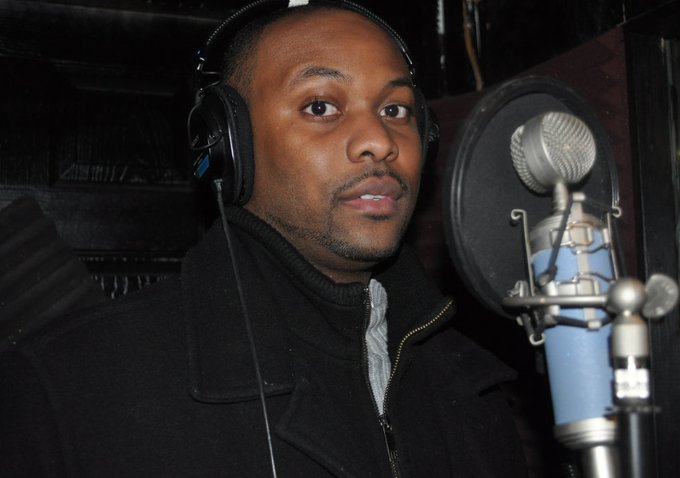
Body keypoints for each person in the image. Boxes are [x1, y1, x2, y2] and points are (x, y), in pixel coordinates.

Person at [0, 1, 529, 476]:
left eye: (395, 110)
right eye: (320, 106)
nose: (379, 141)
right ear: (229, 145)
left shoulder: (474, 384)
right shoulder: (66, 389)